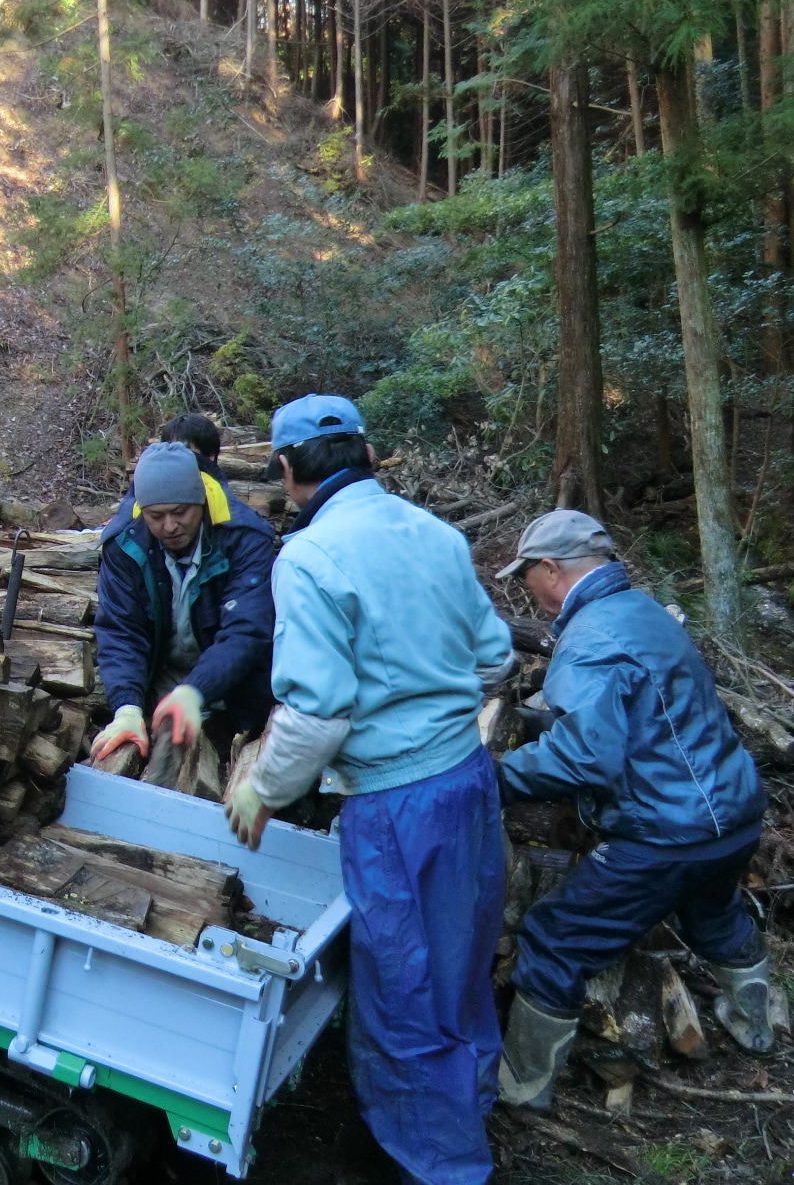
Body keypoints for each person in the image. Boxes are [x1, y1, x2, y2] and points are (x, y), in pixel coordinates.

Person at [224, 394, 514, 1185]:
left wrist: (263, 790)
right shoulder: (439, 535)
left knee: (403, 993)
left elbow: (317, 715)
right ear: (370, 454)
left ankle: (440, 1167)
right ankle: (471, 1105)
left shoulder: (311, 559)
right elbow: (495, 662)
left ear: (286, 472)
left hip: (397, 803)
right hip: (468, 782)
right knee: (461, 967)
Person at [493, 510, 774, 1110]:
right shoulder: (644, 611)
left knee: (554, 938)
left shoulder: (589, 637)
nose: (524, 590)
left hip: (664, 834)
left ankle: (522, 1085)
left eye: (526, 577)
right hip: (735, 816)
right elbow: (657, 711)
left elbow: (584, 761)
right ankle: (756, 1026)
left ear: (553, 569)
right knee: (715, 918)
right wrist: (546, 723)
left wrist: (492, 779)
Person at [88, 441, 279, 763]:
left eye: (180, 512)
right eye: (156, 516)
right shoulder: (124, 544)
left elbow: (247, 630)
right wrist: (126, 707)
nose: (170, 526)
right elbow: (121, 631)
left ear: (201, 502)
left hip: (239, 686)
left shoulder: (245, 537)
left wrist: (196, 690)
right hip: (164, 680)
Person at [100, 412, 266, 545]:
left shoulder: (238, 527)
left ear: (210, 459)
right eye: (156, 516)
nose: (170, 526)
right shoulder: (128, 528)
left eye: (186, 454)